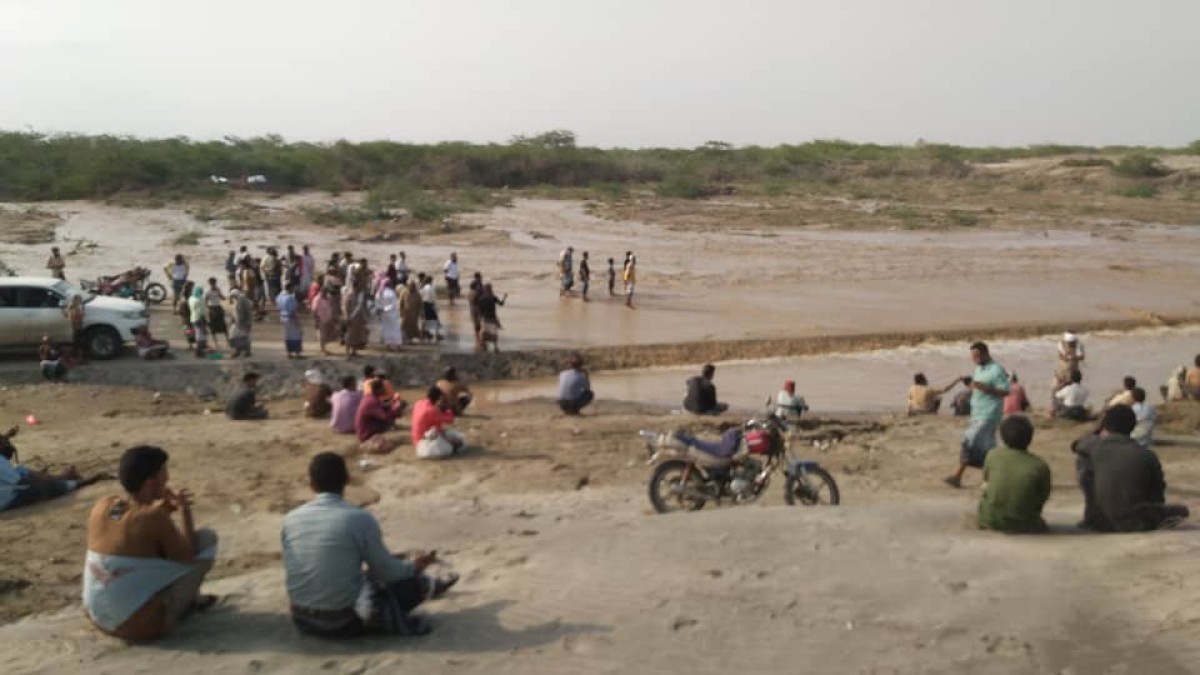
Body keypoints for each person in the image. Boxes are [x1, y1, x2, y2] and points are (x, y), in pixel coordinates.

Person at [281, 452, 457, 638]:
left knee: (357, 574)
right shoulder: (358, 518)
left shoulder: (290, 519)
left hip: (302, 620)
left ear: (312, 485)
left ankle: (430, 585)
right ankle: (428, 585)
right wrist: (415, 567)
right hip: (344, 622)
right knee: (402, 580)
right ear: (347, 480)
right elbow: (387, 571)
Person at [82, 445, 218, 641]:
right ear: (151, 481)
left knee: (150, 558)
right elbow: (188, 555)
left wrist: (164, 510)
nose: (168, 478)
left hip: (98, 618)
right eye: (164, 473)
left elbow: (135, 529)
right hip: (137, 627)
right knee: (206, 540)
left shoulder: (103, 504)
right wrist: (185, 511)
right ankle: (188, 603)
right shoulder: (153, 517)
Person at [1072, 405, 1189, 532]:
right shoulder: (1147, 455)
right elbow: (1158, 495)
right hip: (1137, 521)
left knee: (1083, 459)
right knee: (1182, 511)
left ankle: (1090, 514)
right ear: (1133, 427)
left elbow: (1076, 444)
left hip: (1101, 522)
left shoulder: (1095, 446)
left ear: (1105, 426)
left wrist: (1098, 429)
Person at [945, 342, 1010, 489]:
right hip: (977, 413)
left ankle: (958, 476)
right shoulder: (978, 369)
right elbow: (976, 387)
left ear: (986, 353)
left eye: (977, 356)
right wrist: (967, 395)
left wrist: (987, 389)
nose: (975, 359)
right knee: (987, 448)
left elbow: (1005, 391)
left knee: (969, 440)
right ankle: (989, 479)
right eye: (973, 357)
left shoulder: (997, 370)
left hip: (989, 413)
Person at [0, 425, 108, 512]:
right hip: (6, 500)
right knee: (42, 485)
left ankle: (62, 477)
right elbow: (22, 482)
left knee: (22, 472)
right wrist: (44, 479)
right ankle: (77, 482)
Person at [977, 415, 1051, 534]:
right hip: (1025, 522)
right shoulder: (1040, 465)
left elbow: (986, 479)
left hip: (990, 519)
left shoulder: (993, 455)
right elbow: (1043, 496)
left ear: (1002, 437)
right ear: (1030, 438)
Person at [412, 386, 465, 459]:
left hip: (418, 439)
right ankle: (453, 447)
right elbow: (450, 420)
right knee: (454, 445)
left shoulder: (418, 403)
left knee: (449, 435)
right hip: (424, 443)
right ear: (438, 398)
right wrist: (448, 407)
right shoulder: (432, 410)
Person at [356, 380, 403, 454]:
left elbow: (381, 406)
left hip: (364, 431)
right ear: (378, 389)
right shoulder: (372, 401)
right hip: (366, 435)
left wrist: (392, 404)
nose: (385, 390)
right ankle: (369, 444)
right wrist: (396, 409)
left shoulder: (369, 397)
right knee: (390, 445)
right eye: (383, 388)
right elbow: (385, 417)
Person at [476, 283, 507, 352]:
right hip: (492, 317)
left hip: (484, 317)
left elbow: (479, 310)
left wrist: (479, 318)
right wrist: (504, 297)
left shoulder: (481, 298)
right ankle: (495, 347)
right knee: (494, 332)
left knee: (483, 332)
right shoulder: (493, 297)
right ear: (490, 289)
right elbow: (501, 304)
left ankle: (482, 345)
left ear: (484, 289)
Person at [277, 283, 304, 359]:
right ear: (290, 288)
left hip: (283, 317)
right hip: (291, 318)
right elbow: (293, 311)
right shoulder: (290, 298)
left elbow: (278, 307)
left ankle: (289, 353)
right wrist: (298, 321)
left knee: (287, 336)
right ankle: (297, 353)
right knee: (296, 336)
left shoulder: (279, 296)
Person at [344, 283, 370, 358]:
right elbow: (345, 306)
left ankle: (354, 351)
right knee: (349, 336)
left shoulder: (359, 296)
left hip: (359, 319)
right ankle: (347, 353)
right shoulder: (349, 295)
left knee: (357, 335)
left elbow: (361, 307)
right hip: (351, 318)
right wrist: (347, 317)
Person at [312, 287, 340, 356]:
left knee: (332, 333)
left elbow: (330, 308)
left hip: (328, 319)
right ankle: (323, 349)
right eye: (324, 292)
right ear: (321, 292)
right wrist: (316, 320)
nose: (325, 293)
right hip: (321, 319)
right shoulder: (317, 299)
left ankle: (323, 347)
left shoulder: (327, 298)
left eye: (326, 292)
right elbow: (314, 310)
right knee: (323, 335)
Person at [228, 288, 255, 358]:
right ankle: (246, 351)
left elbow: (240, 313)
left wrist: (239, 323)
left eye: (233, 296)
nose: (232, 298)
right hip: (244, 321)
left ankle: (238, 351)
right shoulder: (242, 298)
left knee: (235, 336)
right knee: (244, 336)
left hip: (242, 322)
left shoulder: (240, 300)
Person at [378, 281, 403, 351]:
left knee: (386, 329)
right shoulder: (392, 293)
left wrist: (382, 309)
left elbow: (378, 303)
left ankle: (388, 345)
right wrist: (386, 309)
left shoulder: (381, 293)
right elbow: (394, 304)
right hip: (392, 313)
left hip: (384, 314)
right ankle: (397, 346)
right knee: (395, 329)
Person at [204, 278, 228, 347]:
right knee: (213, 327)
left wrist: (220, 293)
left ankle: (227, 341)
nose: (213, 285)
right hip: (213, 308)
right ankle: (216, 343)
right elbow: (205, 301)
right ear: (210, 284)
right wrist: (208, 308)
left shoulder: (217, 290)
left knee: (223, 326)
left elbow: (223, 298)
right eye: (212, 283)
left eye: (214, 283)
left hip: (217, 308)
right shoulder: (208, 292)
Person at [187, 285, 208, 358]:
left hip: (193, 318)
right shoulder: (200, 299)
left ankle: (200, 352)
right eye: (201, 292)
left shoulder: (191, 298)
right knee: (201, 336)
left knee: (198, 335)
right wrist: (204, 320)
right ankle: (198, 353)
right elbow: (202, 311)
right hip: (200, 319)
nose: (202, 293)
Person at [418, 274, 441, 341]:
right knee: (436, 320)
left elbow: (420, 295)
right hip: (430, 305)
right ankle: (437, 335)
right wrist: (436, 306)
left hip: (424, 305)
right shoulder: (431, 288)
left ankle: (422, 336)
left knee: (424, 321)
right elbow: (434, 298)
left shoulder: (423, 287)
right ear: (431, 281)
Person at [64, 293, 86, 361]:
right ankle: (78, 358)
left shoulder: (75, 307)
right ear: (75, 300)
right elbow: (76, 318)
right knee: (78, 344)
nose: (80, 301)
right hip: (77, 328)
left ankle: (76, 357)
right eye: (79, 300)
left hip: (77, 328)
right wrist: (82, 312)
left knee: (77, 344)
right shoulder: (74, 309)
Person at [400, 279, 422, 344]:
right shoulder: (404, 292)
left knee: (413, 327)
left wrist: (420, 313)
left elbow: (420, 304)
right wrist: (401, 312)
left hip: (414, 313)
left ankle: (411, 339)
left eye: (413, 286)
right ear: (408, 286)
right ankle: (403, 339)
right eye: (410, 285)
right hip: (405, 313)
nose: (412, 287)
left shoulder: (417, 294)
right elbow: (400, 303)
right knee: (403, 326)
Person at [467, 272, 484, 347]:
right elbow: (477, 299)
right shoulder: (478, 288)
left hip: (472, 309)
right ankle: (479, 338)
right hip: (478, 309)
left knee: (476, 324)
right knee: (479, 324)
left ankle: (477, 338)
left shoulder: (470, 292)